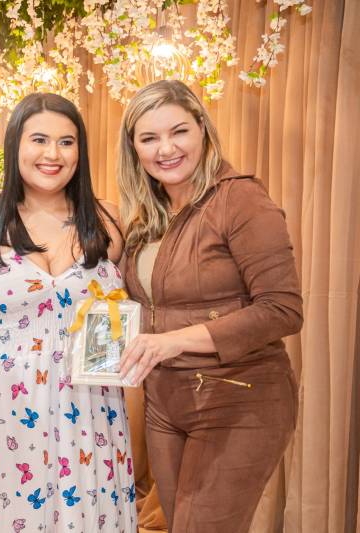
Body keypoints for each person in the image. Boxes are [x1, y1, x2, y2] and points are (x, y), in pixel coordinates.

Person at [115, 80, 302, 533]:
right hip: (165, 403)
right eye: (149, 138)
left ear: (202, 128)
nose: (166, 149)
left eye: (178, 131)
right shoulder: (148, 217)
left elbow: (283, 308)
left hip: (237, 397)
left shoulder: (240, 199)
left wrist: (172, 341)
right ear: (134, 149)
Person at [0, 92, 137, 532]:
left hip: (90, 405)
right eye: (39, 140)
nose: (53, 154)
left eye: (66, 142)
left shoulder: (110, 220)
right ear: (14, 144)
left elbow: (131, 308)